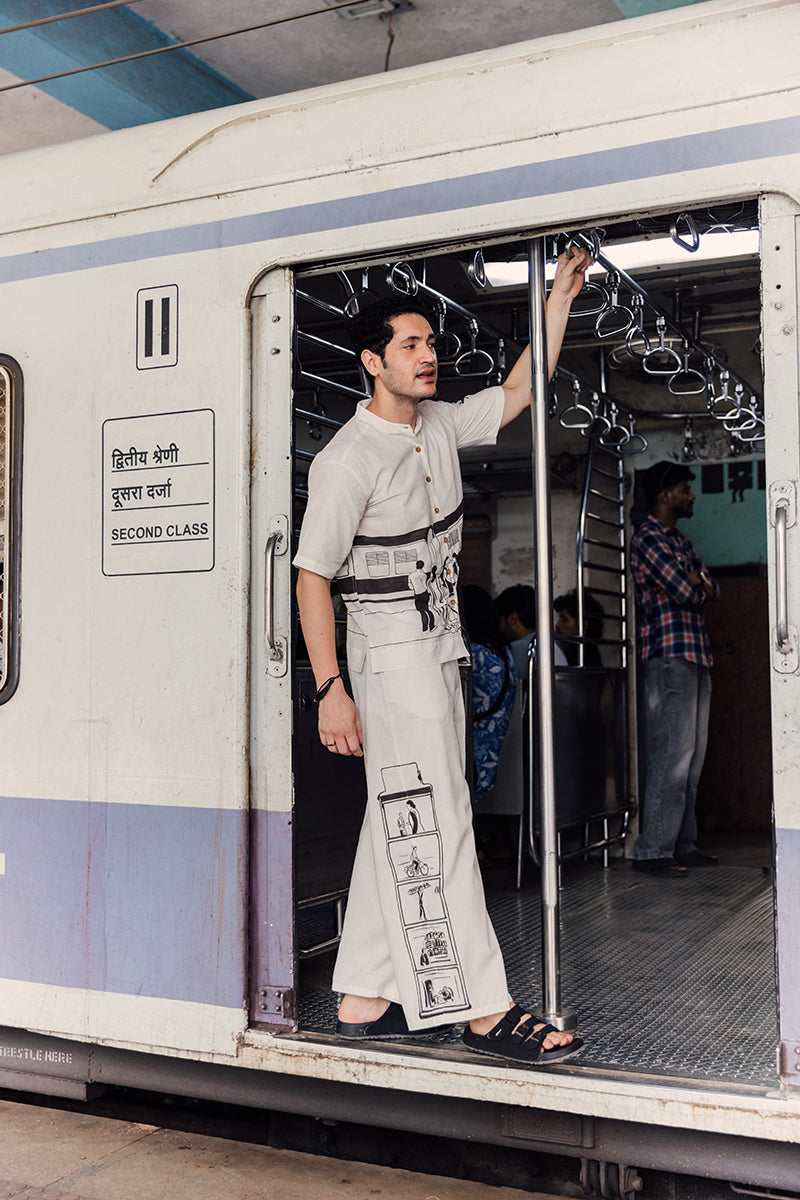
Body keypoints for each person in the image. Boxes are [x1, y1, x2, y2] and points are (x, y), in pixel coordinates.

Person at [293, 246, 589, 1066]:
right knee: (443, 820)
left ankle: (363, 995)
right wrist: (331, 689)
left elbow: (522, 390)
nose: (429, 355)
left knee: (406, 811)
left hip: (441, 649)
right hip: (388, 661)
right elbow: (311, 578)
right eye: (411, 345)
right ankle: (486, 1010)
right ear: (372, 362)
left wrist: (557, 299)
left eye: (431, 343)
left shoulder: (441, 425)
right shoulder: (347, 459)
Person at [630, 460, 720, 877]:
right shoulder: (648, 538)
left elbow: (713, 588)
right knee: (672, 755)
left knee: (692, 758)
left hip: (695, 655)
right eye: (685, 489)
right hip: (669, 657)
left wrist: (700, 583)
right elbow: (688, 590)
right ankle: (654, 849)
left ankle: (682, 844)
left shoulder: (679, 541)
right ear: (665, 496)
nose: (691, 495)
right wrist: (698, 582)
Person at [496, 584, 567, 678]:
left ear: (512, 619)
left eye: (499, 620)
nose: (497, 626)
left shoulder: (518, 649)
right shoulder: (552, 647)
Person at [553, 589, 604, 667]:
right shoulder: (592, 654)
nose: (558, 625)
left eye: (565, 620)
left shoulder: (576, 655)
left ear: (584, 625)